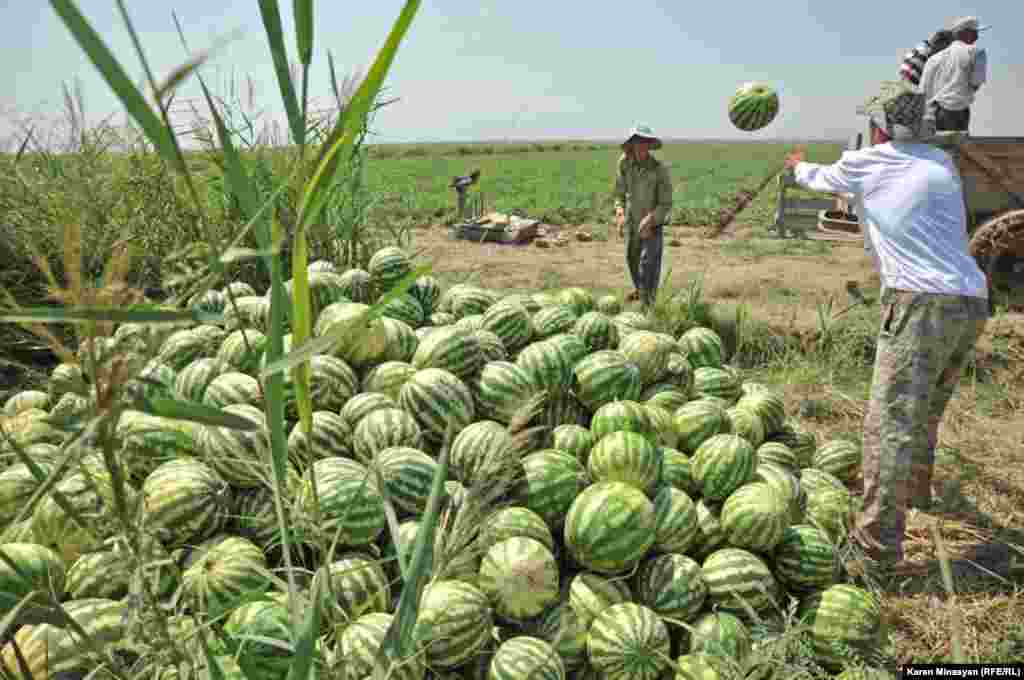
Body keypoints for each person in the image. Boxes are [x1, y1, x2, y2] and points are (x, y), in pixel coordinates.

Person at [783, 83, 991, 576]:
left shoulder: (871, 159)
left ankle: (874, 550)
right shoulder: (941, 164)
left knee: (888, 426)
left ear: (880, 126)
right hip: (971, 299)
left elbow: (816, 178)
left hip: (919, 302)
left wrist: (794, 165)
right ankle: (915, 494)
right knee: (924, 412)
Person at [613, 125, 673, 310]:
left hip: (652, 224)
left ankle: (649, 305)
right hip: (632, 221)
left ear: (649, 145)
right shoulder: (624, 163)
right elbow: (619, 193)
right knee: (632, 259)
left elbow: (665, 203)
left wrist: (651, 220)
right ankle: (640, 290)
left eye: (644, 143)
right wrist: (620, 213)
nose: (640, 148)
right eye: (636, 143)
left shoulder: (659, 170)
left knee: (649, 264)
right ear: (631, 145)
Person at [919, 16, 990, 132]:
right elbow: (976, 83)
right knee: (956, 148)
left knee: (938, 149)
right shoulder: (977, 53)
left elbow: (923, 91)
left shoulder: (934, 59)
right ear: (965, 33)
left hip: (935, 113)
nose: (977, 37)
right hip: (959, 112)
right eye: (975, 32)